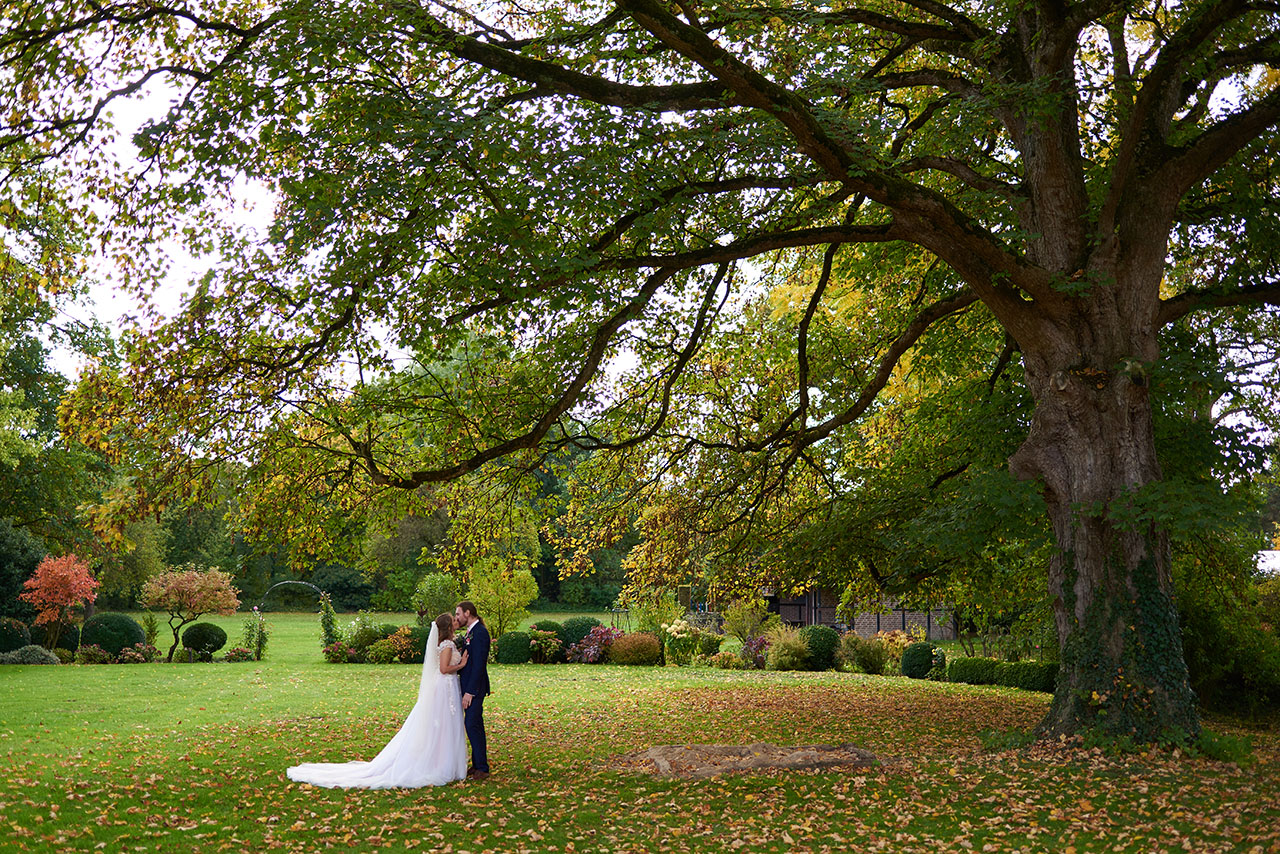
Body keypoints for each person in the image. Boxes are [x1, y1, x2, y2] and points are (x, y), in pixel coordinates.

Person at [286, 613, 468, 788]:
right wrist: (462, 664)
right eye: (453, 620)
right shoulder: (445, 644)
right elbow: (444, 669)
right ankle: (440, 763)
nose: (456, 621)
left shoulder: (447, 643)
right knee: (442, 724)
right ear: (448, 626)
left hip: (447, 687)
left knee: (444, 724)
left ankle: (443, 759)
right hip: (444, 686)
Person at [454, 600, 491, 779]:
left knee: (472, 724)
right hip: (468, 684)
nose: (457, 617)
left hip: (474, 687)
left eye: (458, 614)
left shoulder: (481, 633)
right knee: (474, 724)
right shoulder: (471, 632)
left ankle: (482, 768)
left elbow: (478, 665)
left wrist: (470, 691)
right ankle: (478, 765)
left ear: (468, 613)